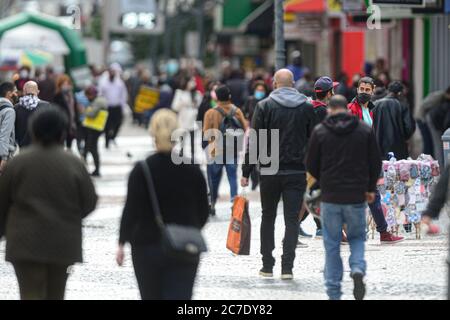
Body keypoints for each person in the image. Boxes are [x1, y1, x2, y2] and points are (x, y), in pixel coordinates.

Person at [0, 107, 97, 300]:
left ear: (33, 130)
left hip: (24, 242)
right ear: (62, 132)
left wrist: (4, 230)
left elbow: (2, 202)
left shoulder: (19, 163)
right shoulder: (73, 163)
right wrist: (69, 216)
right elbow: (89, 202)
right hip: (62, 242)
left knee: (29, 294)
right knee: (56, 294)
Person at [116, 109, 209, 300]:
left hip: (146, 245)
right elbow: (203, 211)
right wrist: (190, 226)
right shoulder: (192, 169)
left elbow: (131, 210)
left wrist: (121, 242)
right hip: (184, 244)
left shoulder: (142, 169)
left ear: (153, 133)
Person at [241, 69, 317, 280]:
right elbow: (315, 140)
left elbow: (255, 141)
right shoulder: (306, 107)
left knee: (268, 216)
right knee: (292, 219)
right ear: (293, 84)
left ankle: (267, 265)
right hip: (296, 170)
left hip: (269, 170)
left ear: (274, 84)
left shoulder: (264, 106)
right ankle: (287, 268)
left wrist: (246, 171)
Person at [306, 95, 382, 300]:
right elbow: (375, 162)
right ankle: (357, 268)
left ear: (330, 109)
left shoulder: (320, 131)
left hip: (331, 196)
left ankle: (334, 291)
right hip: (356, 195)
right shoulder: (364, 130)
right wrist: (370, 188)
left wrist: (323, 180)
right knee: (357, 238)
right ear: (347, 110)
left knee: (331, 244)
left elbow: (311, 163)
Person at [348, 77, 404, 243]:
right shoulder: (351, 109)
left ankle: (382, 232)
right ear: (357, 89)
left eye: (367, 90)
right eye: (361, 89)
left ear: (372, 91)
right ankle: (373, 232)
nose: (363, 93)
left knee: (373, 196)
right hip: (356, 160)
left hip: (367, 160)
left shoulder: (370, 110)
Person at [298, 76, 339, 238]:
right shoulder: (322, 111)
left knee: (313, 191)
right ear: (329, 93)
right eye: (333, 90)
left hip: (307, 155)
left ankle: (316, 225)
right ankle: (313, 226)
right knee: (314, 191)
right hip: (317, 157)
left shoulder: (309, 108)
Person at [203, 85, 248, 204]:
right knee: (232, 177)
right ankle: (234, 202)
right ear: (229, 96)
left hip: (215, 151)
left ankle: (212, 203)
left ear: (216, 97)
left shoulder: (210, 113)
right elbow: (244, 128)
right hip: (232, 150)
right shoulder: (237, 111)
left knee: (214, 179)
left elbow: (206, 133)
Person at [372, 81, 416, 160]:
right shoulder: (402, 104)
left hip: (379, 147)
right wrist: (404, 138)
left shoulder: (375, 104)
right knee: (398, 170)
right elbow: (409, 127)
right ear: (400, 93)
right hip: (398, 147)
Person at [241, 81, 270, 191]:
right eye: (258, 90)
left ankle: (260, 178)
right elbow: (244, 113)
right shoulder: (250, 100)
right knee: (251, 154)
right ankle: (254, 180)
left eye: (262, 90)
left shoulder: (268, 102)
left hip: (264, 133)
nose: (260, 92)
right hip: (251, 131)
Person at [171, 77, 202, 162]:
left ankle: (192, 157)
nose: (192, 83)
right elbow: (174, 107)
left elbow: (198, 105)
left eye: (193, 82)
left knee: (193, 138)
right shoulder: (180, 93)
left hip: (192, 118)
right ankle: (181, 155)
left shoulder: (197, 94)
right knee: (182, 139)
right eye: (191, 81)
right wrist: (182, 103)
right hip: (183, 117)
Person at [99, 63, 128, 149]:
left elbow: (123, 95)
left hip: (117, 106)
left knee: (118, 123)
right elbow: (100, 94)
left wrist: (123, 106)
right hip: (107, 107)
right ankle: (107, 141)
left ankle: (113, 137)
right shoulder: (103, 82)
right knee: (107, 125)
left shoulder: (119, 83)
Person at [14, 81, 51, 149]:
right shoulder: (47, 106)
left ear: (24, 92)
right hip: (42, 147)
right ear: (38, 92)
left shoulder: (16, 107)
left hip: (23, 148)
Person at [82, 88, 108, 177]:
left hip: (94, 128)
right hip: (96, 128)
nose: (87, 98)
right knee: (92, 149)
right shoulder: (100, 100)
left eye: (87, 96)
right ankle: (94, 169)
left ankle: (93, 170)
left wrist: (84, 111)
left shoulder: (98, 102)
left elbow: (92, 114)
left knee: (90, 149)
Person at [426, 86, 450, 167]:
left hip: (437, 121)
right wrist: (445, 133)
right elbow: (446, 122)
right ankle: (440, 168)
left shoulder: (445, 100)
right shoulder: (440, 97)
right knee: (438, 146)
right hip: (434, 122)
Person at [53, 75, 77, 150]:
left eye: (67, 84)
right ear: (60, 85)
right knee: (61, 142)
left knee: (70, 143)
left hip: (71, 122)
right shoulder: (58, 95)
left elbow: (74, 108)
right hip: (62, 122)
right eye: (64, 84)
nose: (66, 86)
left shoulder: (72, 95)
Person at [0, 82, 18, 175]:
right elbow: (4, 135)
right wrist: (4, 158)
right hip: (2, 155)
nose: (17, 95)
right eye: (15, 92)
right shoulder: (9, 111)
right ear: (9, 93)